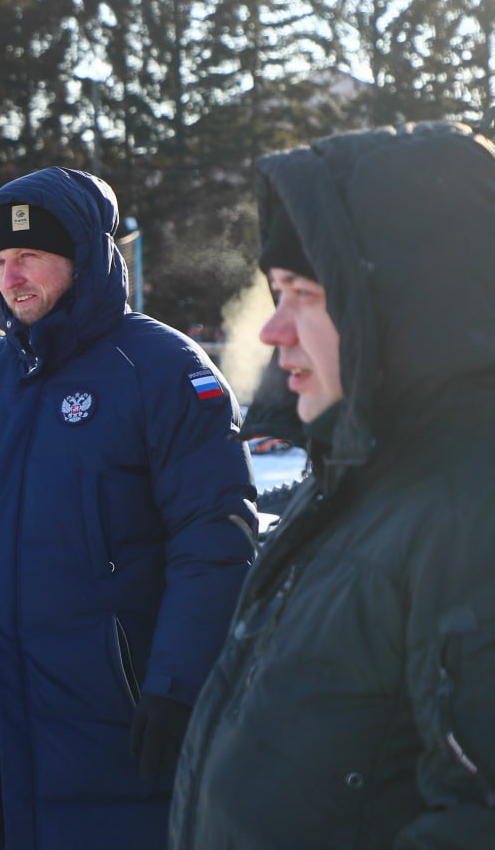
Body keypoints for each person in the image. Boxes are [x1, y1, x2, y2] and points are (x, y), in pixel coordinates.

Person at [0, 167, 257, 848]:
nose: (12, 277)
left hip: (114, 729)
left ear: (84, 256)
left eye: (32, 257)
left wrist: (177, 683)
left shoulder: (162, 372)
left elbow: (214, 537)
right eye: (2, 261)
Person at [170, 121, 495, 847]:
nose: (272, 330)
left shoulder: (473, 510)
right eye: (274, 292)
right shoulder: (357, 480)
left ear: (407, 306)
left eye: (306, 295)